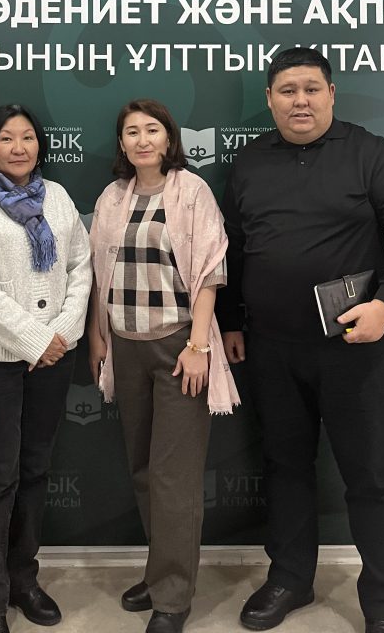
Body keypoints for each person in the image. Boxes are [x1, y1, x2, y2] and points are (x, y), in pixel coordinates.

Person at [217, 48, 384, 633]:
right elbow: (234, 248)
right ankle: (291, 578)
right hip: (271, 349)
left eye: (311, 89)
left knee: (372, 477)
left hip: (352, 349)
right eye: (287, 90)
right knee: (285, 467)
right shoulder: (250, 162)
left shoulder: (368, 152)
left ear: (331, 94)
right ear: (269, 99)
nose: (300, 101)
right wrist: (232, 321)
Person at [88, 99, 239, 633]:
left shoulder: (191, 191)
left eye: (152, 130)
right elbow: (98, 273)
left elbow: (210, 271)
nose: (142, 139)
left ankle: (173, 597)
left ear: (169, 138)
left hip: (178, 347)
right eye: (131, 132)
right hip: (125, 346)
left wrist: (199, 346)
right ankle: (159, 574)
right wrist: (97, 336)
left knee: (174, 477)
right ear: (122, 143)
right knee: (143, 470)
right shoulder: (112, 197)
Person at [0, 103, 91, 633]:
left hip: (53, 358)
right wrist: (36, 340)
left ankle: (23, 580)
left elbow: (81, 266)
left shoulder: (59, 197)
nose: (18, 147)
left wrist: (62, 334)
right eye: (6, 138)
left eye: (27, 137)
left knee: (34, 471)